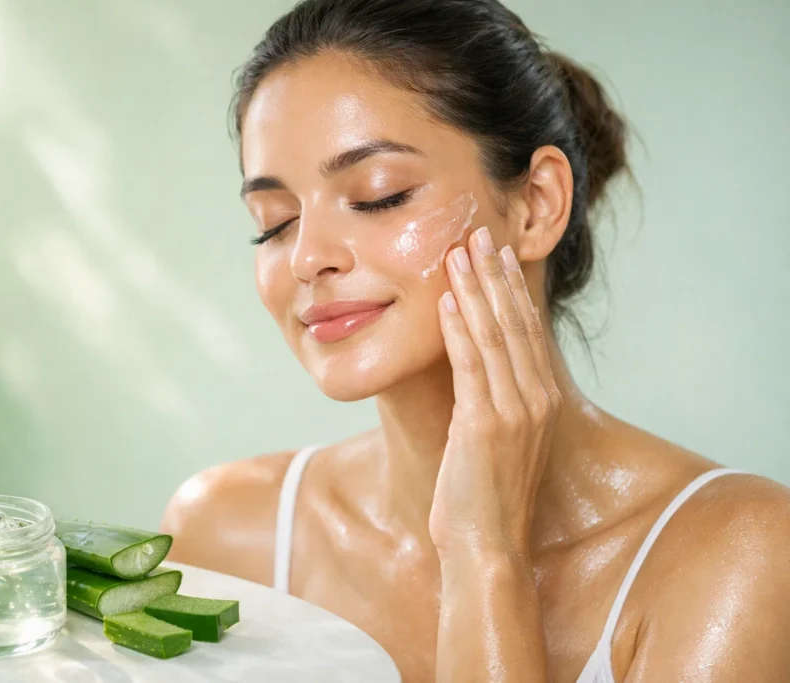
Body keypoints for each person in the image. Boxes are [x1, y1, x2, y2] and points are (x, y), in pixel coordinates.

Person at [161, 1, 790, 680]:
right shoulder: (226, 534)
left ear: (536, 204)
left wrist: (484, 552)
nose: (307, 256)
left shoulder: (736, 554)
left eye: (379, 194)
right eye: (275, 221)